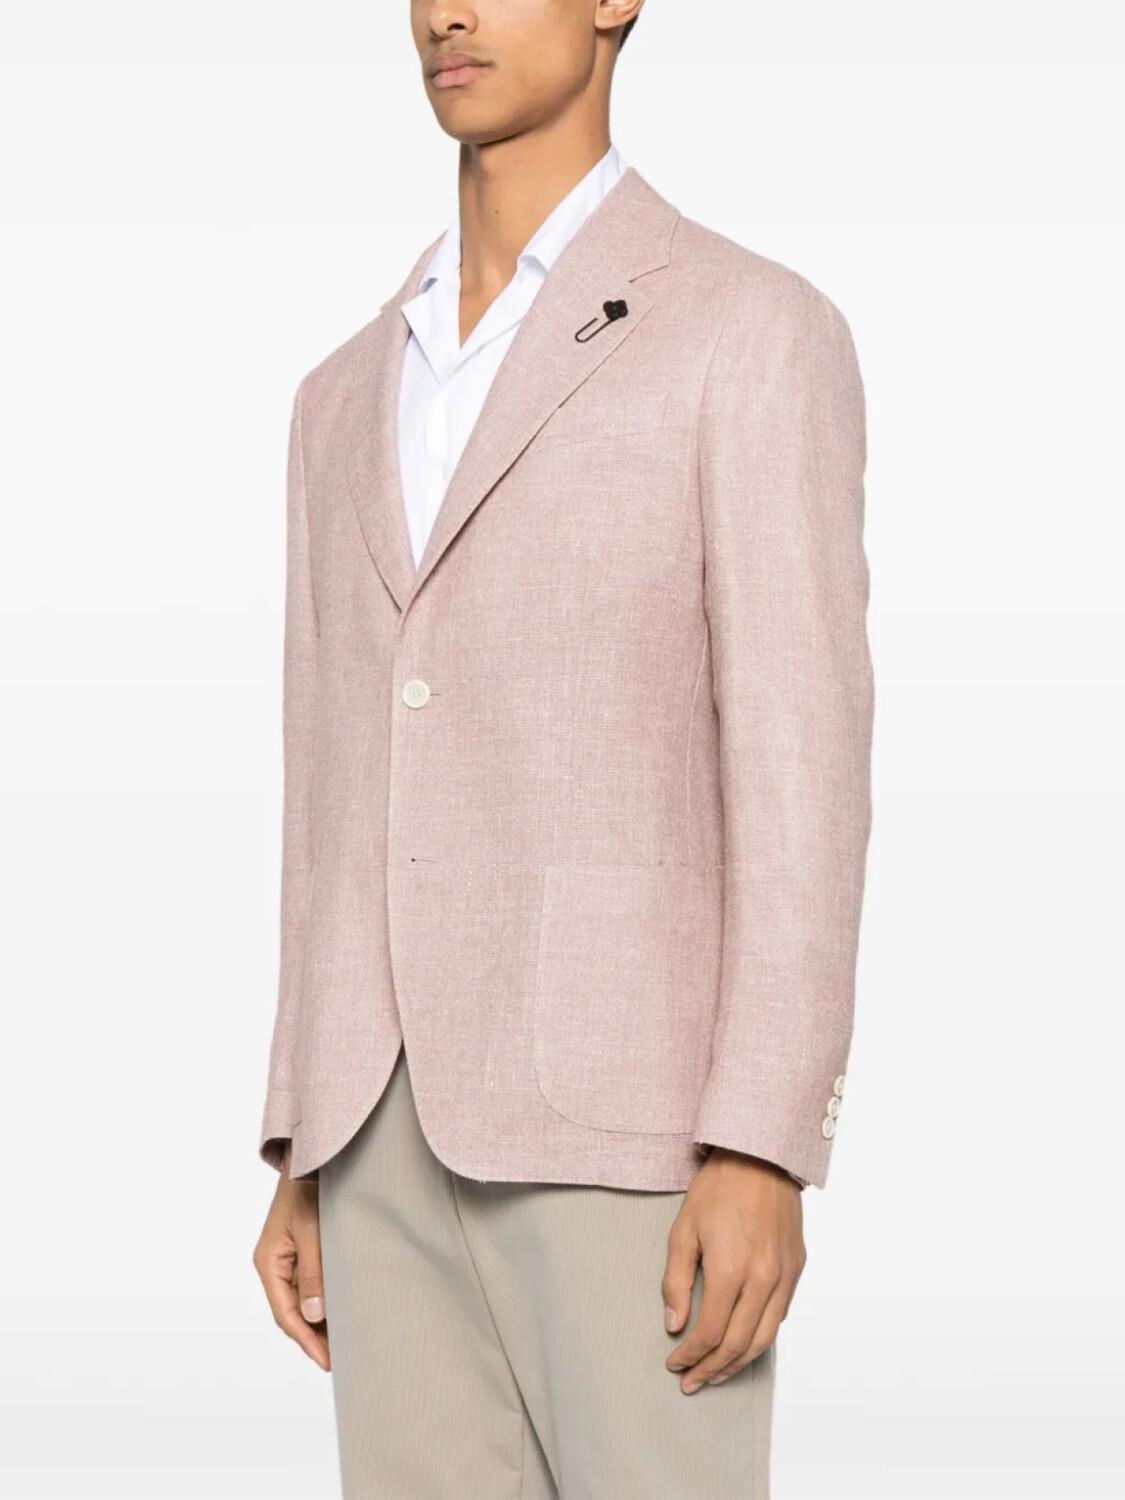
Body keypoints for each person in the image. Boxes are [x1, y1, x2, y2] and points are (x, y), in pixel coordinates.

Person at [253, 2, 873, 1494]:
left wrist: (761, 1141)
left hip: (633, 1130)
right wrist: (301, 1131)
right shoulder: (339, 395)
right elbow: (325, 783)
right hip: (377, 1132)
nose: (445, 13)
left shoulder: (748, 329)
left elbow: (803, 764)